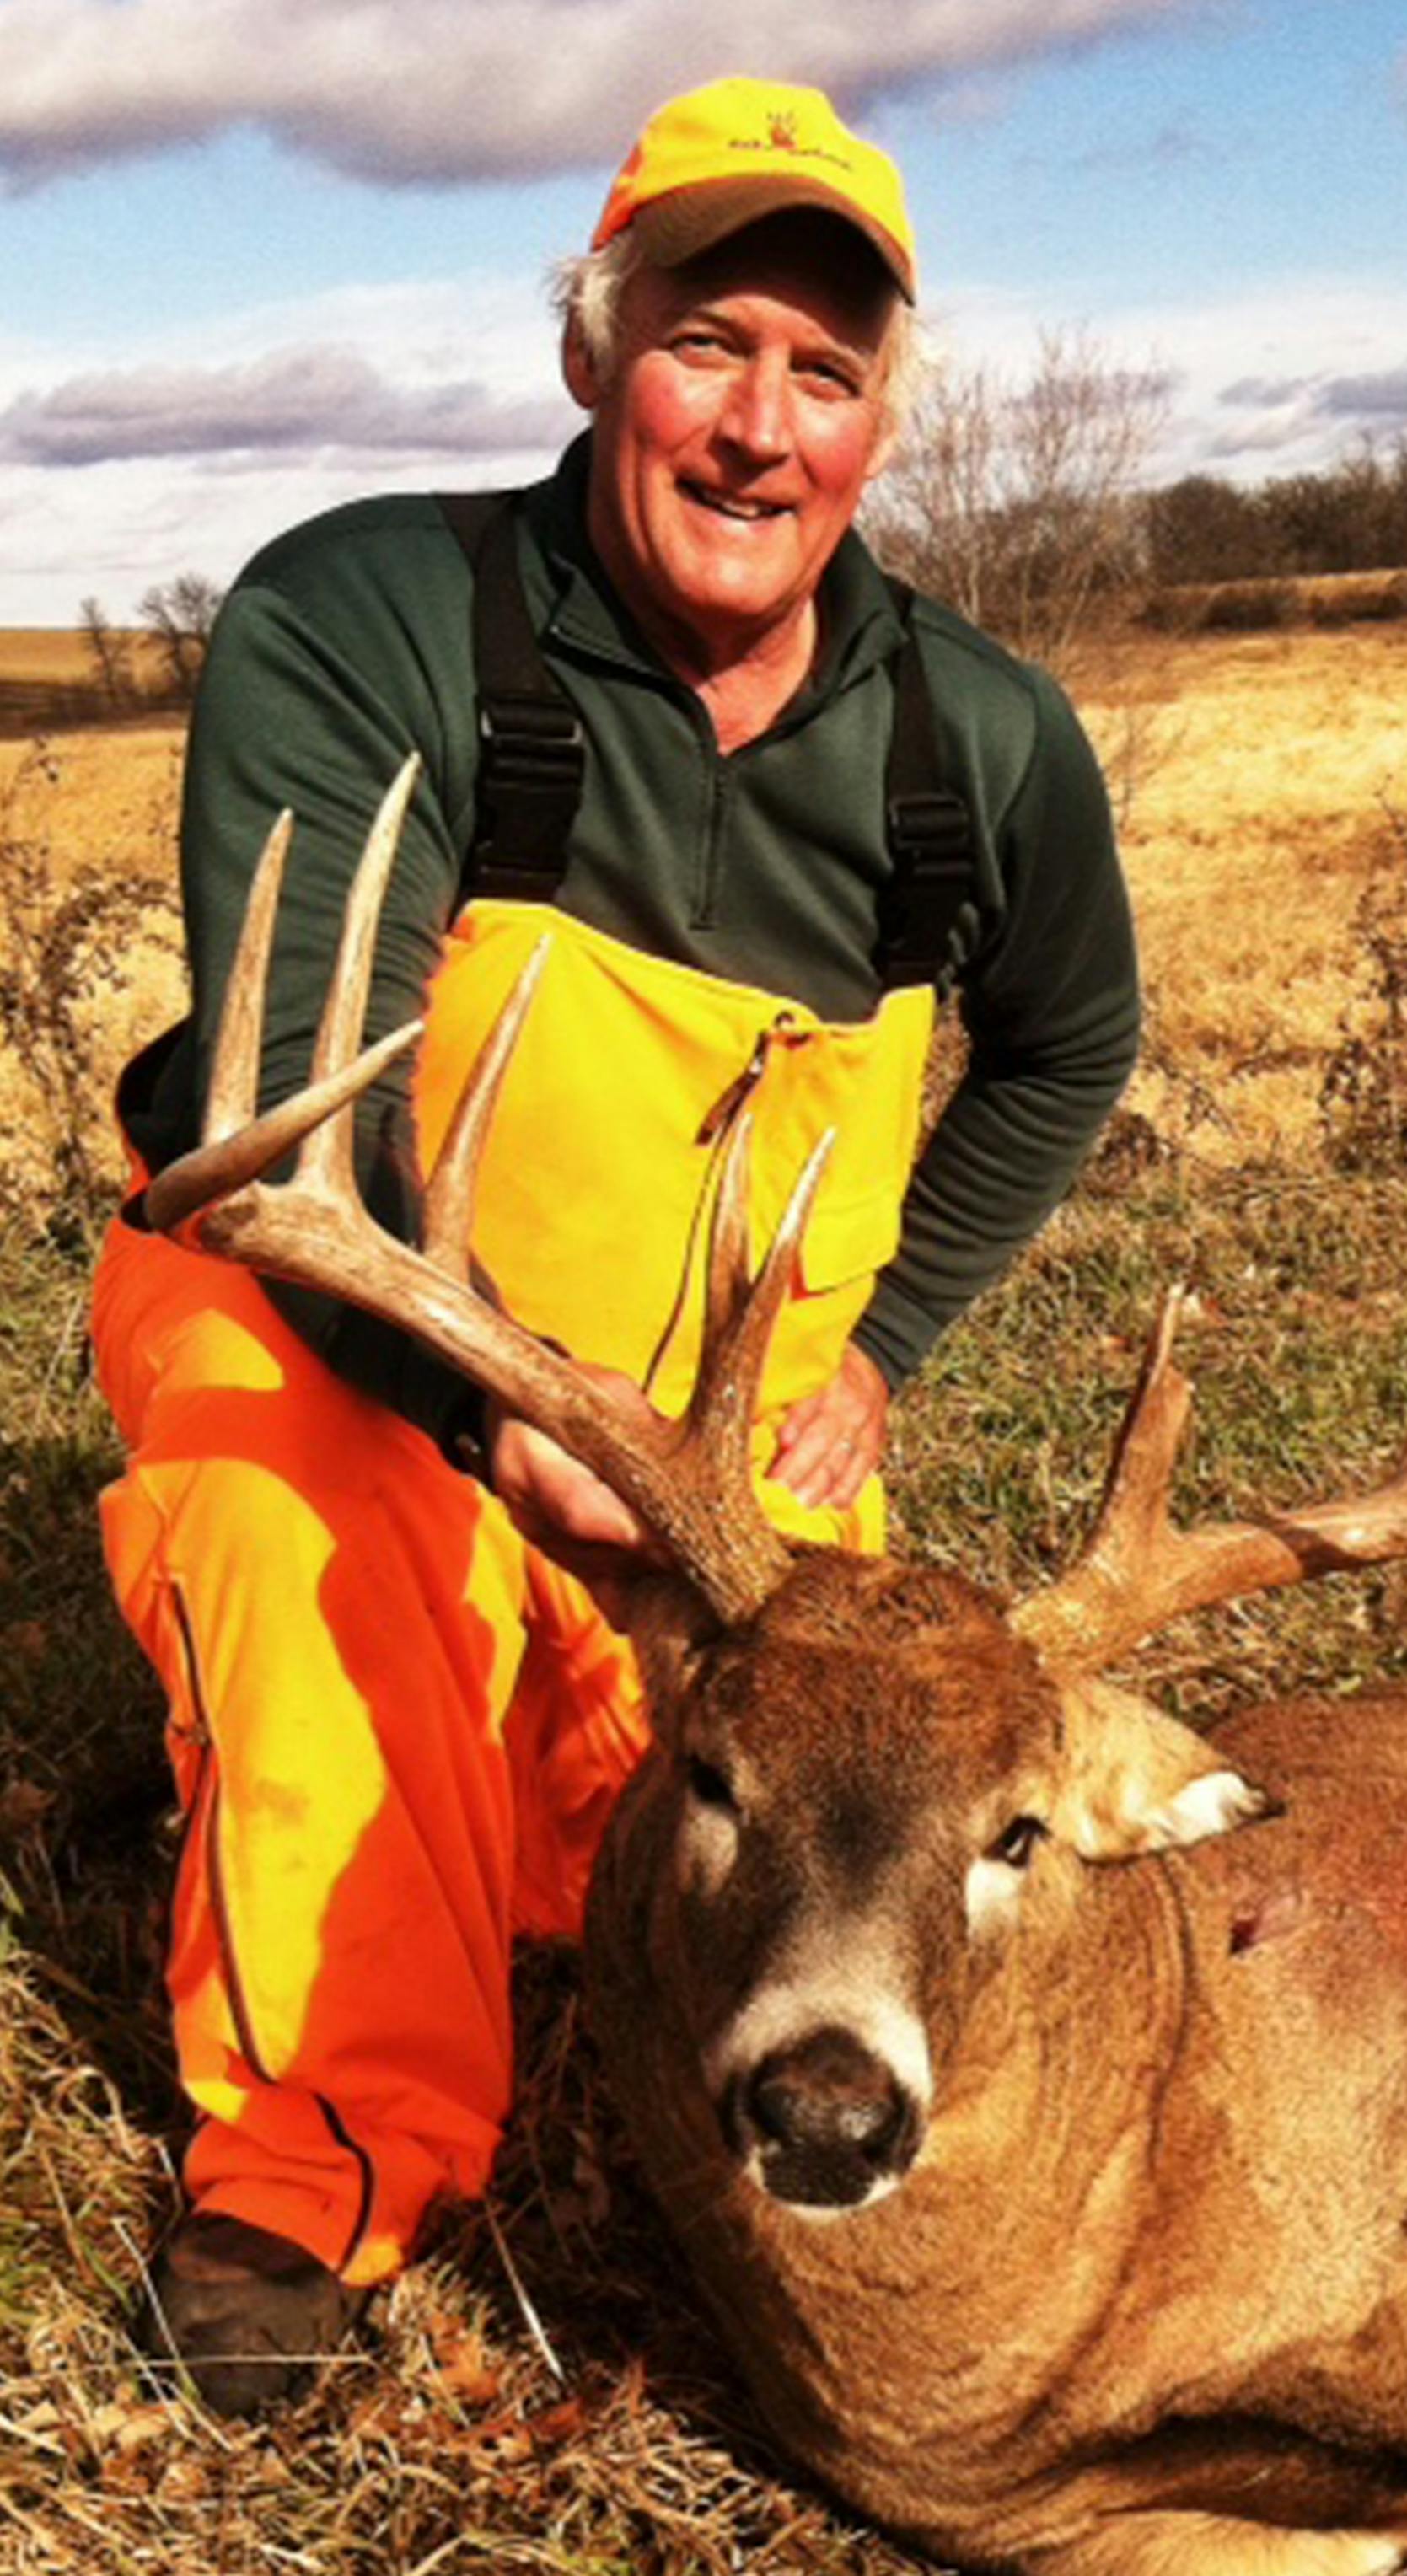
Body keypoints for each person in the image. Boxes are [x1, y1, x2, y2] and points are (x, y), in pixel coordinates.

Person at [91, 73, 1141, 2416]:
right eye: (706, 343)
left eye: (824, 372)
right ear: (593, 349)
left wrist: (886, 1339)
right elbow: (285, 1153)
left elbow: (1074, 1045)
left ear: (878, 421)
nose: (759, 427)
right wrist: (506, 1422)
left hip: (712, 1425)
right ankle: (312, 2167)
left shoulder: (978, 742)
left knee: (724, 1835)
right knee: (304, 1554)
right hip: (343, 1330)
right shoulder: (368, 619)